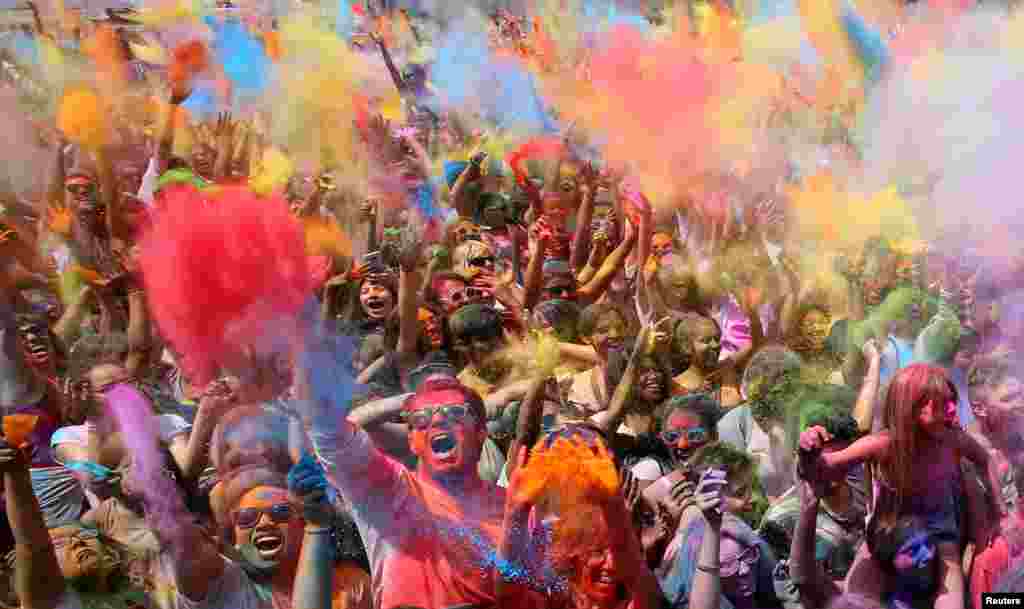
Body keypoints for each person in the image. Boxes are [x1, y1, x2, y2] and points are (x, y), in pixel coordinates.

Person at [798, 364, 1004, 609]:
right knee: (856, 600)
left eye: (952, 401)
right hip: (888, 532)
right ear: (912, 406)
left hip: (940, 530)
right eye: (940, 402)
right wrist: (808, 448)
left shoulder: (952, 441)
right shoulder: (882, 445)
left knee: (951, 591)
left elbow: (985, 460)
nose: (952, 410)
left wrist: (1000, 512)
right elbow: (822, 468)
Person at [303, 376, 507, 609]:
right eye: (421, 418)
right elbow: (329, 432)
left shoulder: (515, 506)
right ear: (411, 441)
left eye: (455, 413)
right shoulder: (389, 492)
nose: (438, 420)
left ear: (481, 433)